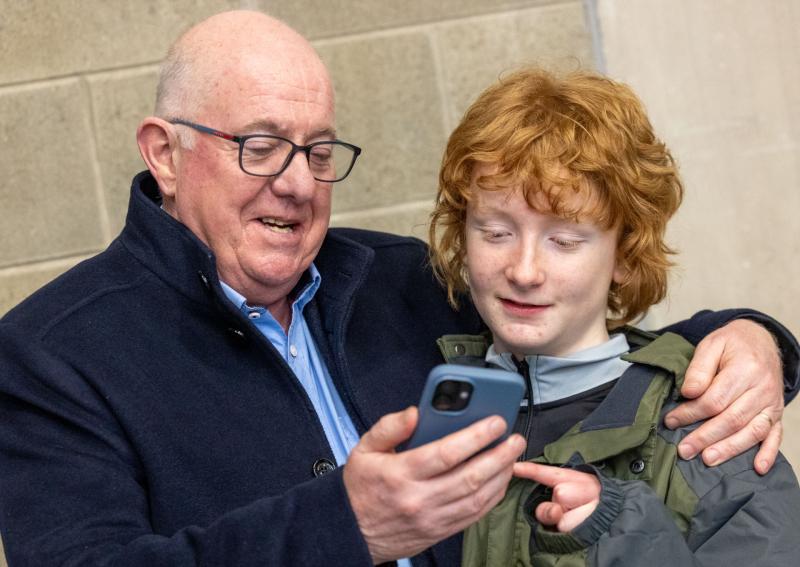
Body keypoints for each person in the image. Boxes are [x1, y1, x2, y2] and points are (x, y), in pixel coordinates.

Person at [0, 9, 796, 567]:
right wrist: (346, 526)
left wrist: (753, 335)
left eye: (317, 151)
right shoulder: (51, 353)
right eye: (261, 146)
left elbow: (576, 328)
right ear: (164, 154)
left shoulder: (401, 278)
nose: (295, 183)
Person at [428, 67, 800, 566]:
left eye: (564, 241)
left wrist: (620, 536)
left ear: (624, 255)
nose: (524, 270)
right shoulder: (424, 401)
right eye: (495, 232)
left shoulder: (713, 432)